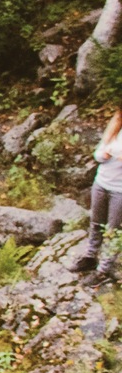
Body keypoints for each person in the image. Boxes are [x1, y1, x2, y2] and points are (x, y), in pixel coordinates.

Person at [74, 106, 122, 275]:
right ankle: (90, 256)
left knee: (113, 230)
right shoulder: (117, 123)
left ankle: (104, 270)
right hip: (101, 182)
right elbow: (98, 154)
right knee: (96, 222)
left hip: (120, 190)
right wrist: (105, 154)